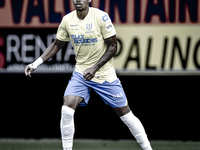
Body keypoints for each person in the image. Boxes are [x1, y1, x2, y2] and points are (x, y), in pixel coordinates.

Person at [25, 0, 153, 150]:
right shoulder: (67, 20)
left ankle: (148, 149)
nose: (78, 0)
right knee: (66, 109)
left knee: (126, 115)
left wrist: (96, 67)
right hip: (81, 73)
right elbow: (56, 45)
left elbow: (113, 46)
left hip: (104, 74)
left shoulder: (101, 17)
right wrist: (35, 64)